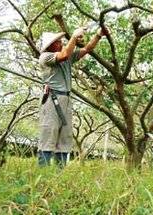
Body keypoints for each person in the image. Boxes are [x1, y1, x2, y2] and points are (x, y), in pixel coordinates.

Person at [38, 26, 110, 168]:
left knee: (64, 138)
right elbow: (64, 54)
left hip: (66, 99)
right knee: (48, 135)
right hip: (51, 98)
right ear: (51, 45)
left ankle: (59, 174)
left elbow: (87, 49)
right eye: (58, 42)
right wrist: (74, 37)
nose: (61, 43)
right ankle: (43, 174)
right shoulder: (45, 57)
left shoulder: (67, 57)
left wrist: (98, 35)